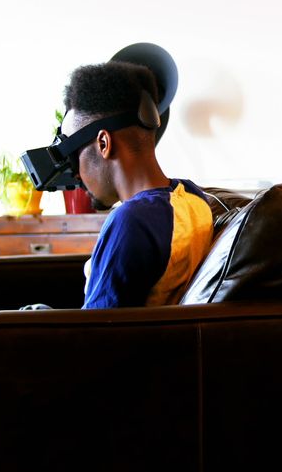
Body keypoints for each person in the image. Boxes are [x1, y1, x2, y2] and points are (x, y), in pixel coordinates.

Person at [59, 61, 216, 309]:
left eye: (74, 155)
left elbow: (94, 330)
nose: (76, 175)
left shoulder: (133, 220)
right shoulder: (193, 197)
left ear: (103, 144)